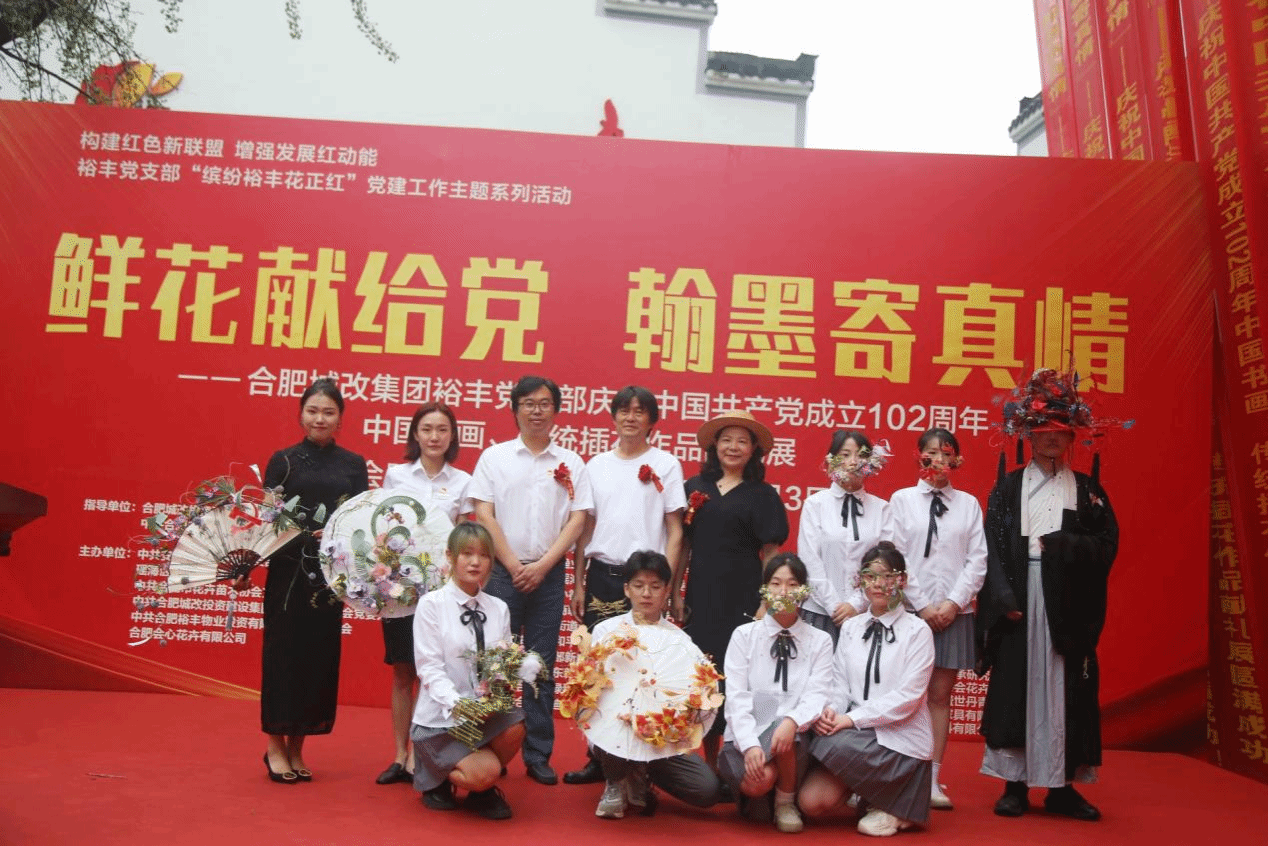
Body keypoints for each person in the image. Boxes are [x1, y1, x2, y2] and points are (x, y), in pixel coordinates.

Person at [977, 368, 1119, 822]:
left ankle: (1062, 787)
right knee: (1017, 685)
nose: (1051, 439)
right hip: (1020, 597)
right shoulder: (1009, 487)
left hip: (1067, 604)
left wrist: (1059, 546)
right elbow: (991, 546)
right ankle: (1014, 785)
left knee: (1066, 691)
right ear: (1029, 435)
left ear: (1072, 436)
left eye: (1060, 431)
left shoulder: (1088, 489)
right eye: (1042, 431)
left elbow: (1106, 545)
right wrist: (1004, 597)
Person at [238, 378, 369, 784]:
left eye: (329, 412)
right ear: (301, 414)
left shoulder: (354, 464)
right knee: (283, 658)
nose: (320, 418)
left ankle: (298, 746)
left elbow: (359, 522)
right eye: (313, 410)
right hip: (287, 574)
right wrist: (247, 565)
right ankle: (275, 745)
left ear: (340, 419)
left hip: (328, 579)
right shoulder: (284, 461)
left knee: (317, 660)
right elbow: (267, 520)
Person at [470, 374, 591, 786]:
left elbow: (578, 519)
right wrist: (511, 563)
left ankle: (538, 753)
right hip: (502, 573)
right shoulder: (494, 457)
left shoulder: (572, 462)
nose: (536, 411)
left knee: (541, 665)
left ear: (555, 410)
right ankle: (496, 747)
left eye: (544, 404)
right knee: (499, 663)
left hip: (549, 574)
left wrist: (542, 566)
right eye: (528, 403)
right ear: (515, 409)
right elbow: (483, 514)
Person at [564, 386, 686, 786]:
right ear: (613, 416)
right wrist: (579, 582)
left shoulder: (666, 464)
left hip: (645, 583)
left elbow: (675, 530)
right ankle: (598, 758)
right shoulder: (596, 465)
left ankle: (641, 762)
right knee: (599, 670)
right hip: (603, 576)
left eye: (639, 411)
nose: (631, 418)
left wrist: (666, 586)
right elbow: (585, 527)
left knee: (644, 671)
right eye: (624, 410)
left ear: (652, 420)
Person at [676, 410, 789, 768]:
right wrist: (675, 593)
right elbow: (683, 545)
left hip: (743, 597)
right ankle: (708, 764)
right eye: (726, 440)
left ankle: (737, 761)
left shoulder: (763, 494)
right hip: (701, 596)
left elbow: (771, 552)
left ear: (754, 449)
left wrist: (766, 602)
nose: (733, 447)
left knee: (737, 678)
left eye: (742, 441)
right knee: (703, 676)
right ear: (715, 446)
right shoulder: (695, 487)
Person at [799, 542, 935, 837]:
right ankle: (869, 794)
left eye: (887, 576)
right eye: (870, 576)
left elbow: (908, 699)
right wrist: (832, 711)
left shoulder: (918, 631)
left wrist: (850, 719)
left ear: (902, 580)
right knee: (810, 802)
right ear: (860, 581)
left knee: (834, 745)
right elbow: (839, 683)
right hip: (857, 732)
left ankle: (896, 807)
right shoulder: (852, 627)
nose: (878, 584)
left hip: (898, 735)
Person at [374, 402, 473, 786]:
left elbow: (463, 540)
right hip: (400, 590)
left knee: (435, 673)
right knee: (403, 672)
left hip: (442, 594)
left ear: (452, 436)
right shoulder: (396, 475)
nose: (434, 437)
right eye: (427, 429)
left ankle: (422, 753)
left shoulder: (462, 482)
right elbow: (382, 529)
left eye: (442, 429)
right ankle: (399, 754)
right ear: (415, 434)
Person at [887, 427, 986, 810]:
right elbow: (895, 556)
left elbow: (978, 560)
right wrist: (923, 605)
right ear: (919, 457)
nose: (939, 460)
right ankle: (889, 775)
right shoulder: (902, 500)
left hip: (954, 614)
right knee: (900, 694)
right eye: (931, 453)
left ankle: (931, 778)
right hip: (910, 613)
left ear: (956, 460)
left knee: (940, 698)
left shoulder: (968, 504)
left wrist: (953, 603)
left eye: (946, 453)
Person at [588, 550, 723, 819]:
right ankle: (615, 782)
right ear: (626, 589)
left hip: (661, 736)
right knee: (615, 720)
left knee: (706, 790)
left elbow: (690, 693)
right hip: (616, 727)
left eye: (655, 586)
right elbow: (591, 690)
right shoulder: (606, 631)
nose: (646, 594)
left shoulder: (680, 640)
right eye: (639, 586)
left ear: (667, 591)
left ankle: (641, 772)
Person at [411, 522, 525, 820]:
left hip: (482, 715)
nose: (476, 562)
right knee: (484, 773)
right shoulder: (431, 605)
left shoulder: (499, 608)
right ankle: (436, 777)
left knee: (516, 725)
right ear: (450, 556)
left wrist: (503, 685)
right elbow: (429, 668)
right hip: (442, 718)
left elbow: (503, 661)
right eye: (467, 554)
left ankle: (479, 790)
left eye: (484, 555)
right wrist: (459, 704)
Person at [719, 552, 833, 833]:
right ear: (764, 590)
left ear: (804, 591)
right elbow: (736, 698)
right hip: (749, 731)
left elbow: (817, 694)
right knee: (759, 782)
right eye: (776, 583)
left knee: (785, 731)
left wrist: (792, 721)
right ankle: (765, 791)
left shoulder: (820, 640)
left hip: (793, 737)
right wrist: (750, 745)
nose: (784, 592)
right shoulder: (744, 635)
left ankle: (785, 801)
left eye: (793, 584)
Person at [797, 431, 894, 646]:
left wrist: (855, 604)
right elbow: (809, 560)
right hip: (819, 610)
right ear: (832, 460)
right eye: (845, 454)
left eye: (860, 455)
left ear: (871, 462)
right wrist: (835, 606)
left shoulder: (882, 508)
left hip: (866, 612)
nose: (853, 462)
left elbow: (885, 563)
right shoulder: (815, 504)